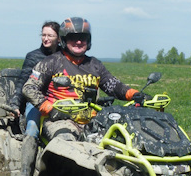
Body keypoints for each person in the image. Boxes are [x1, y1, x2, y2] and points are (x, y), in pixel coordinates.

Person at [23, 16, 145, 148]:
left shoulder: (95, 65)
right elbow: (29, 88)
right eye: (73, 38)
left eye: (83, 37)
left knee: (122, 143)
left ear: (89, 40)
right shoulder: (51, 62)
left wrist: (133, 94)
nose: (79, 42)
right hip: (60, 121)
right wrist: (48, 107)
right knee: (67, 148)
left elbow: (113, 85)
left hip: (93, 121)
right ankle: (26, 169)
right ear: (64, 40)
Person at [6, 21, 60, 176]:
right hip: (36, 102)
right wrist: (15, 104)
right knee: (32, 128)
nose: (46, 38)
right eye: (43, 35)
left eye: (50, 35)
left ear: (59, 38)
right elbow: (24, 82)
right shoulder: (34, 56)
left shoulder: (65, 57)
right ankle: (25, 172)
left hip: (60, 102)